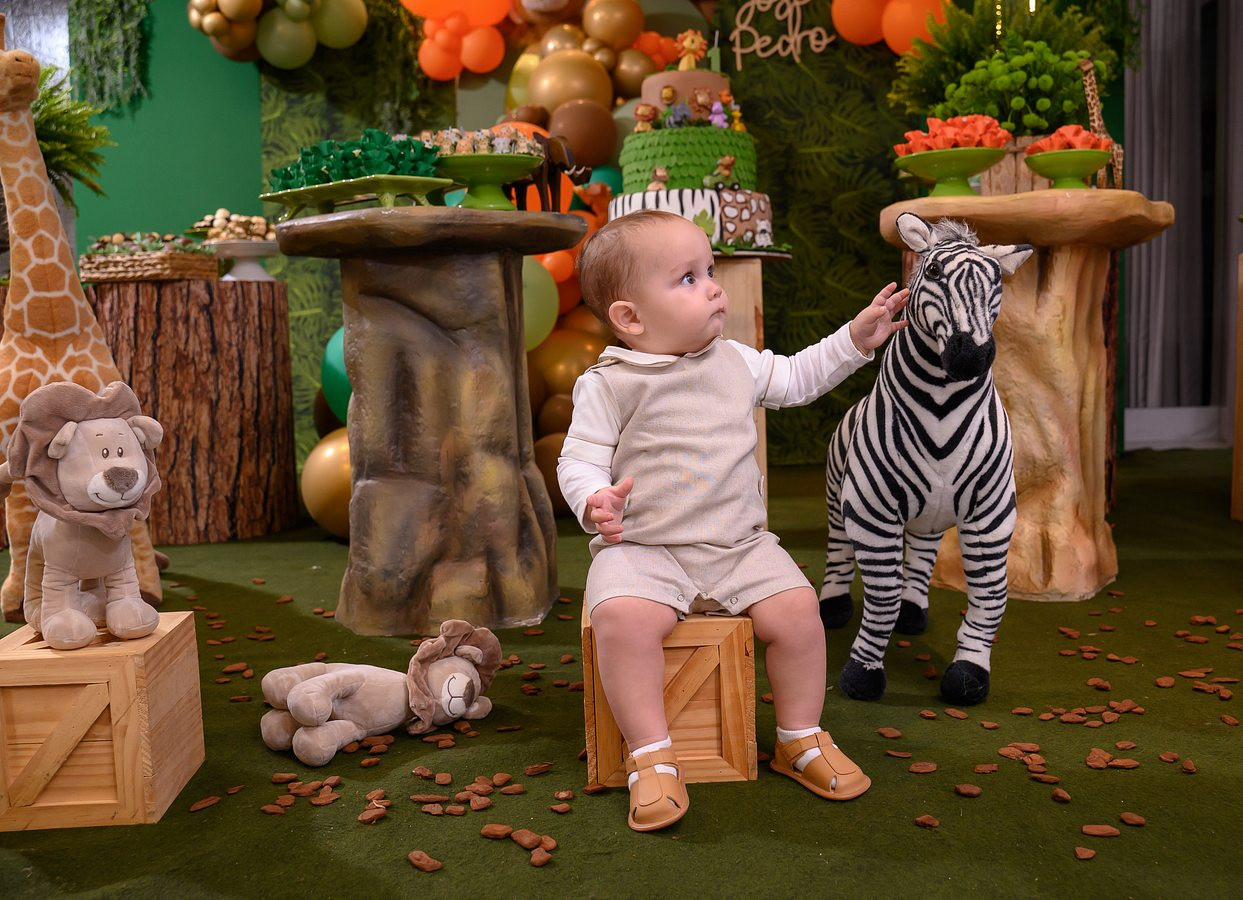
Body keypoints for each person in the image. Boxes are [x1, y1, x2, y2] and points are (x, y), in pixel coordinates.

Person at [558, 209, 908, 833]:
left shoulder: (735, 361)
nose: (714, 288)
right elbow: (578, 459)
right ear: (631, 318)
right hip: (645, 547)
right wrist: (594, 499)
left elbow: (797, 376)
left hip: (739, 544)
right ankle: (650, 754)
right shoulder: (608, 384)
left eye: (710, 271)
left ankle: (799, 737)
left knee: (799, 611)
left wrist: (855, 340)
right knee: (620, 618)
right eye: (688, 278)